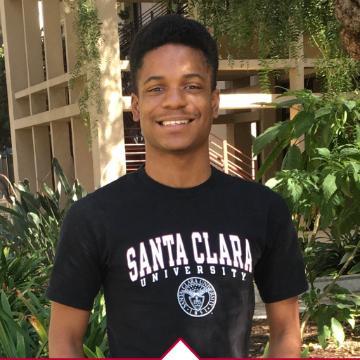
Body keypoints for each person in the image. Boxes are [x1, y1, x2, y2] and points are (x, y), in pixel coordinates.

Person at [47, 14, 308, 358]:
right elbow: (64, 340)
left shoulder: (262, 210)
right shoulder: (94, 217)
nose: (174, 101)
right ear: (136, 106)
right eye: (156, 88)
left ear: (214, 101)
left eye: (192, 85)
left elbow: (287, 331)